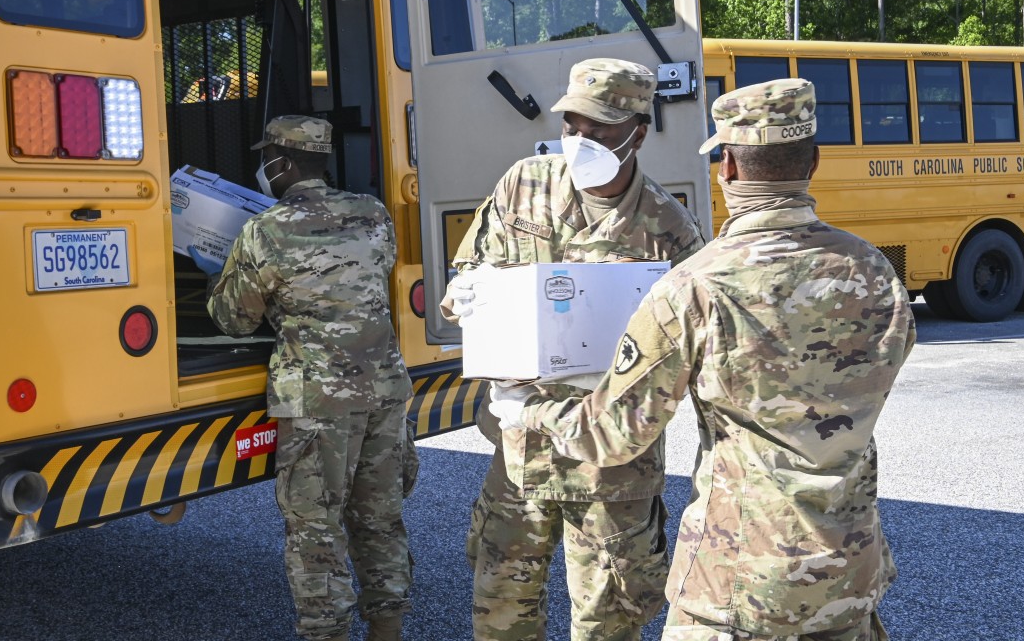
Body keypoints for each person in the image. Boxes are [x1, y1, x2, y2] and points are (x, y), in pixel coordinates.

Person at [489, 78, 917, 641]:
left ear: (729, 169)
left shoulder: (696, 285)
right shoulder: (875, 271)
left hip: (736, 585)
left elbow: (613, 434)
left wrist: (526, 412)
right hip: (848, 575)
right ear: (814, 160)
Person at [440, 58, 706, 641]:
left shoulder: (668, 229)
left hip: (612, 469)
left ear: (639, 130)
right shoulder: (523, 183)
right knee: (501, 614)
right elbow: (471, 269)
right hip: (520, 452)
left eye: (601, 128)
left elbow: (692, 356)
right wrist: (466, 295)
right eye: (572, 125)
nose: (581, 138)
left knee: (606, 623)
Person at [193, 116, 414, 641]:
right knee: (380, 521)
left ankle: (328, 631)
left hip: (317, 403)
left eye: (267, 156)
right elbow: (371, 278)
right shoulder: (374, 213)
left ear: (282, 163)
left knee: (315, 530)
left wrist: (215, 272)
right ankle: (388, 630)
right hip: (385, 390)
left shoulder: (266, 229)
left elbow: (234, 318)